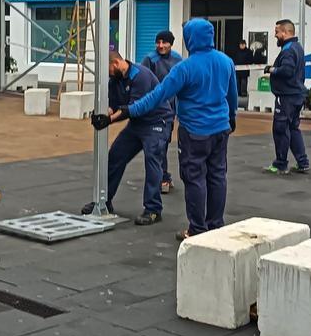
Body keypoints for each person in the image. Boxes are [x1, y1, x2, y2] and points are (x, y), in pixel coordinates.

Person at [113, 18, 237, 241]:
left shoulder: (185, 68)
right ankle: (216, 225)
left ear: (190, 39)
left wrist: (128, 111)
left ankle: (197, 229)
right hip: (220, 129)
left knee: (194, 178)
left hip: (194, 131)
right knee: (218, 176)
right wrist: (232, 117)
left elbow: (157, 96)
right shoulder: (226, 61)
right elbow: (232, 95)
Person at [83, 51, 172, 225]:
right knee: (116, 155)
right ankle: (104, 201)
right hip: (137, 124)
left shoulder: (141, 76)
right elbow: (114, 106)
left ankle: (153, 209)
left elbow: (134, 108)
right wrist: (102, 115)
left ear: (115, 63)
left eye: (108, 69)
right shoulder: (114, 80)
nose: (107, 74)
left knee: (152, 159)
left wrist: (109, 120)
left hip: (157, 121)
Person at [263, 20, 309, 175]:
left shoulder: (288, 50)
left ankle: (281, 164)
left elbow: (287, 71)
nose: (275, 35)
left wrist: (272, 70)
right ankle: (302, 162)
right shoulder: (297, 47)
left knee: (280, 129)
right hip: (297, 95)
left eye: (277, 32)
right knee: (293, 128)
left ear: (285, 32)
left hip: (287, 96)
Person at [140, 30, 182, 194]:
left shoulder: (178, 60)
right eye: (158, 42)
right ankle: (162, 178)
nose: (161, 45)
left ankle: (164, 175)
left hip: (170, 111)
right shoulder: (150, 59)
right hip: (154, 111)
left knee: (164, 144)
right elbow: (142, 82)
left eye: (164, 42)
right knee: (158, 145)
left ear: (171, 44)